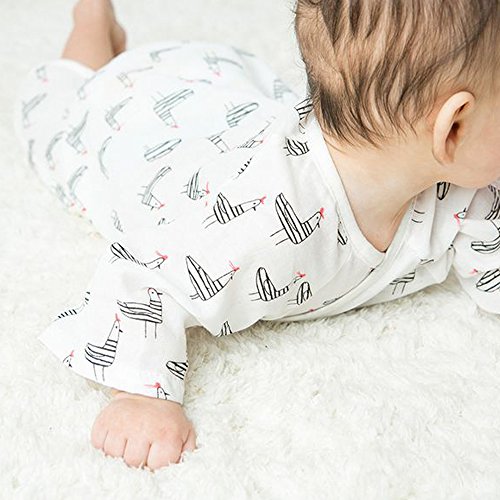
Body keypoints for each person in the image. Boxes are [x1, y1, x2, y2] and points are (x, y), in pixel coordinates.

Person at [13, 0, 500, 471]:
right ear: (453, 128)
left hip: (226, 98)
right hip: (137, 123)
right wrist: (141, 395)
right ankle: (91, 18)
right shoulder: (257, 221)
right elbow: (141, 271)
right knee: (63, 109)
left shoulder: (466, 190)